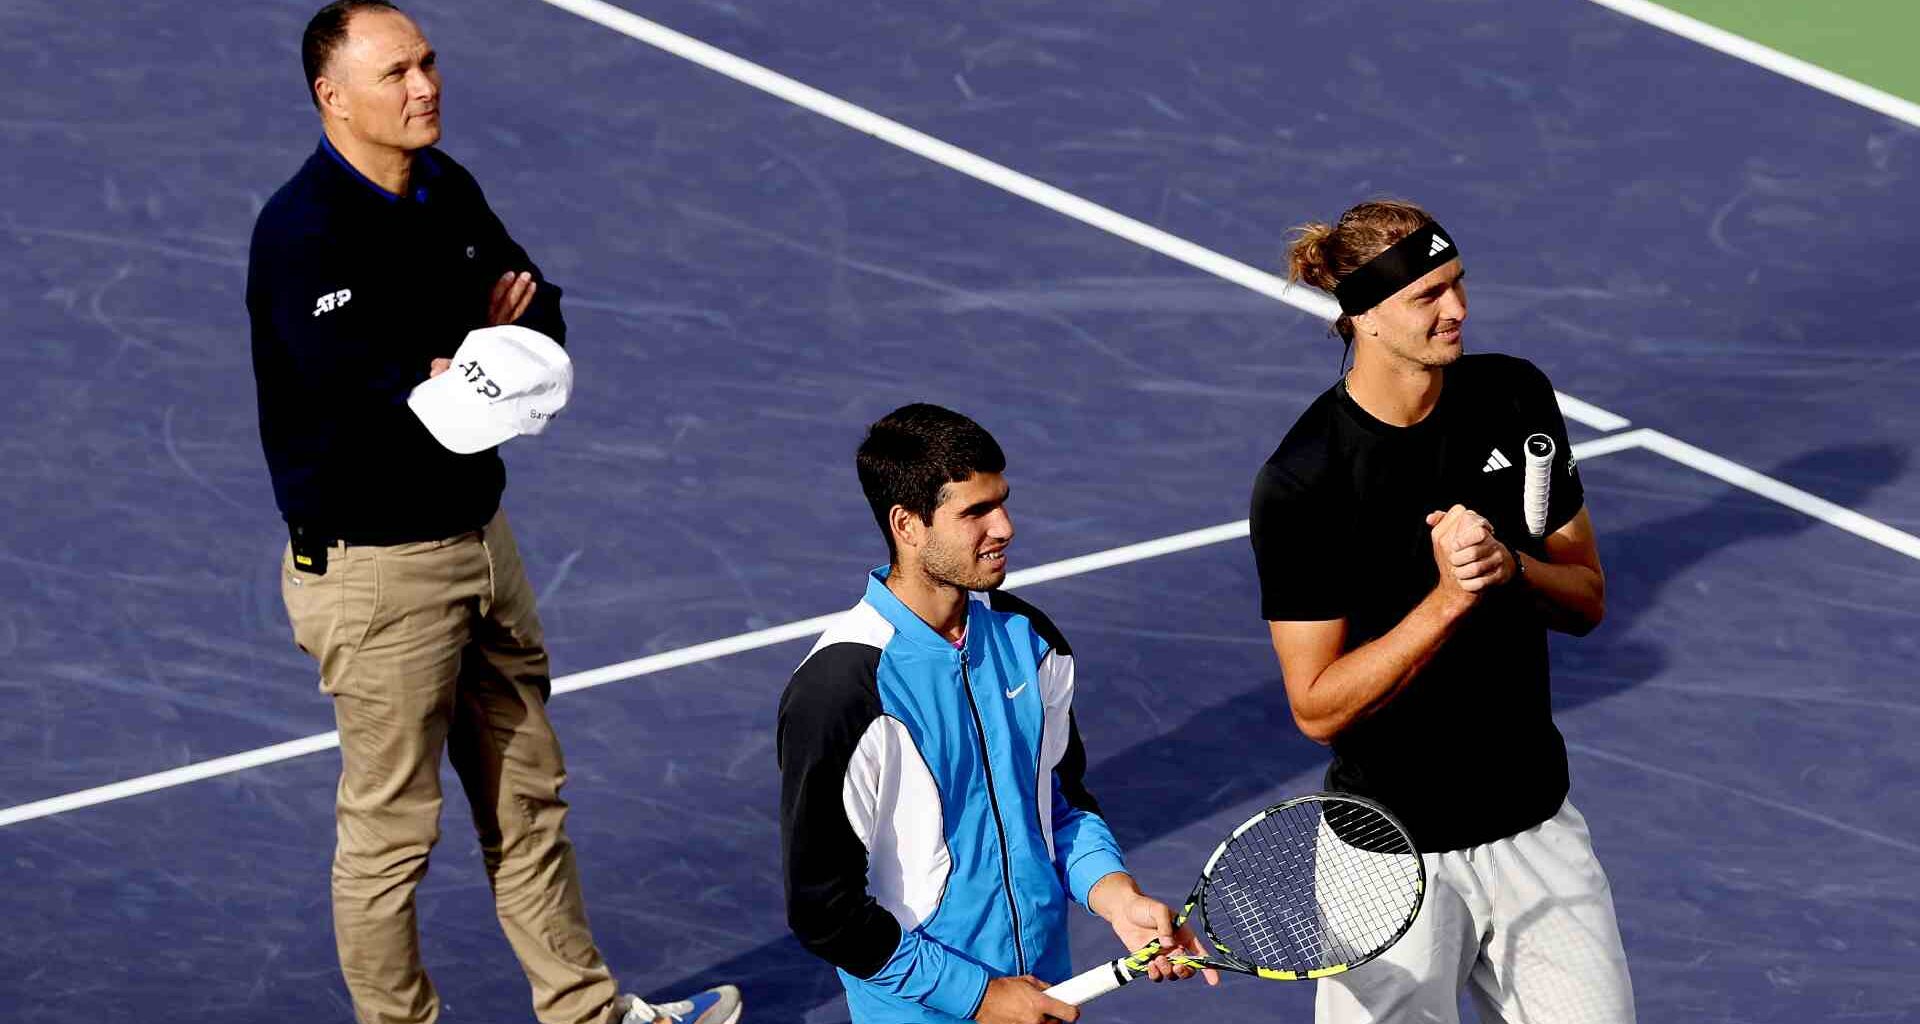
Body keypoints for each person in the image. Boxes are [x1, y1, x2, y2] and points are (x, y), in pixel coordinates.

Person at [247, 3, 740, 1022]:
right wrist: (466, 354)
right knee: (392, 836)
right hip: (378, 574)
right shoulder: (304, 237)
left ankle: (585, 1014)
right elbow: (382, 408)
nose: (424, 85)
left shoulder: (443, 186)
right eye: (396, 73)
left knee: (528, 801)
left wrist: (462, 360)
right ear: (332, 99)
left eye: (427, 63)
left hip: (482, 545)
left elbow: (533, 307)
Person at [1248, 199, 1635, 1023]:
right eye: (1427, 295)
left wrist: (1510, 570)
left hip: (1537, 833)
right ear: (1362, 315)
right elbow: (1317, 707)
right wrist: (1450, 600)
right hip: (1385, 861)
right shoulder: (1306, 481)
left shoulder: (1513, 396)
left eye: (1457, 283)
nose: (1456, 309)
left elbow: (1587, 596)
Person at [777, 404, 1216, 1024]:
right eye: (976, 512)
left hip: (1043, 993)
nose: (1005, 526)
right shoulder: (842, 689)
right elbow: (826, 911)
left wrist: (1115, 895)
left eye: (1002, 502)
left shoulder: (1030, 640)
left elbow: (1058, 806)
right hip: (925, 1010)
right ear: (908, 525)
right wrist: (978, 996)